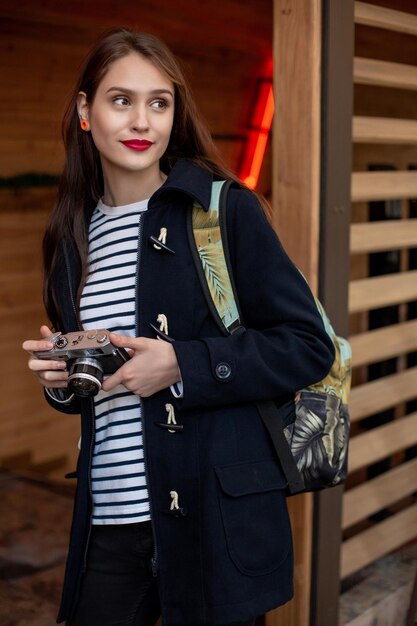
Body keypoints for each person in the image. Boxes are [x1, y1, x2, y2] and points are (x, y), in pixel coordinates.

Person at [22, 28, 334, 626]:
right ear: (86, 112)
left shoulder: (223, 211)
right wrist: (64, 378)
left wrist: (181, 364)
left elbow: (306, 345)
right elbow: (99, 386)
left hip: (214, 520)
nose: (142, 119)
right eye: (121, 100)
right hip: (110, 518)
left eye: (158, 102)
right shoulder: (69, 238)